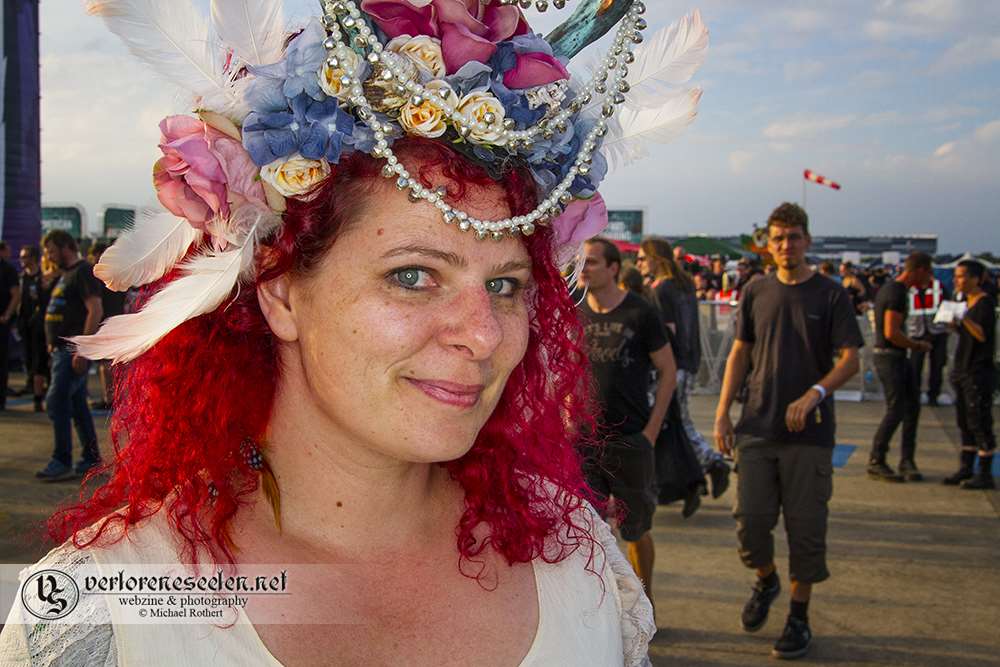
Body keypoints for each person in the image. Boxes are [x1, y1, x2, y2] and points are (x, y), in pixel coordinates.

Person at [0, 1, 709, 662]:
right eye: (413, 275)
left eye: (504, 285)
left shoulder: (579, 562)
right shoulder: (109, 609)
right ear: (280, 291)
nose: (484, 336)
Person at [714, 202, 862, 660]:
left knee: (805, 530)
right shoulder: (756, 290)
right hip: (757, 424)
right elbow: (740, 352)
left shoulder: (831, 295)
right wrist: (722, 412)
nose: (786, 245)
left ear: (807, 241)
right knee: (751, 523)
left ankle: (799, 615)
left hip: (810, 434)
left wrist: (816, 392)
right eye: (778, 238)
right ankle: (766, 579)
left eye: (793, 237)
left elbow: (851, 360)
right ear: (769, 244)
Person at [578, 237, 677, 609]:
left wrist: (651, 431)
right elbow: (566, 366)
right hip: (585, 441)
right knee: (588, 530)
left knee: (636, 530)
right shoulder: (576, 309)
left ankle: (645, 603)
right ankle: (603, 609)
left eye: (591, 262)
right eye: (581, 261)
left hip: (631, 439)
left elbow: (668, 371)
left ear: (613, 268)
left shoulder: (640, 312)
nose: (584, 268)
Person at [638, 238, 731, 499]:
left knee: (677, 421)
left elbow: (669, 331)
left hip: (673, 363)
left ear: (656, 259)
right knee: (677, 420)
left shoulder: (662, 289)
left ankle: (710, 461)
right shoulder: (684, 285)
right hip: (688, 359)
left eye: (643, 258)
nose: (640, 263)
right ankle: (693, 471)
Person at [35, 230, 103, 481]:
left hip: (71, 350)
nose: (49, 256)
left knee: (56, 401)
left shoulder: (82, 271)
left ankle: (61, 459)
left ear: (65, 247)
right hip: (61, 352)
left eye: (52, 250)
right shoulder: (65, 275)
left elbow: (95, 309)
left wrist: (82, 349)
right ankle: (91, 459)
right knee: (77, 405)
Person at [868, 252, 934, 482]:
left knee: (911, 407)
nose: (930, 278)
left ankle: (907, 460)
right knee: (896, 409)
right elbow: (891, 332)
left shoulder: (893, 289)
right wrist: (917, 345)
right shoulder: (896, 292)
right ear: (920, 270)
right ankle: (877, 459)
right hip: (890, 356)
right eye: (928, 272)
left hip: (895, 356)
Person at [943, 260, 996, 489]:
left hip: (978, 369)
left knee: (979, 420)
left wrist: (964, 317)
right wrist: (954, 324)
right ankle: (966, 466)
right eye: (956, 276)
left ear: (976, 278)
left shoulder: (984, 303)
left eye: (962, 276)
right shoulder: (964, 301)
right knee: (964, 420)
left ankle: (984, 472)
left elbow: (982, 335)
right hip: (962, 367)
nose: (957, 280)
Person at [86, 241, 126, 410]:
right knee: (108, 364)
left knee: (107, 365)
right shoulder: (117, 273)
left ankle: (111, 399)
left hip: (109, 321)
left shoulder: (103, 276)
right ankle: (110, 397)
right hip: (112, 320)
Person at [907, 275, 950, 406]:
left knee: (937, 366)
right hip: (917, 332)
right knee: (915, 366)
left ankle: (933, 395)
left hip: (938, 332)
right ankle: (914, 395)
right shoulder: (910, 288)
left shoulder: (938, 287)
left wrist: (947, 327)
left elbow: (947, 305)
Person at [17, 245, 50, 412]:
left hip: (41, 327)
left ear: (33, 258)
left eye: (25, 257)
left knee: (40, 360)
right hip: (25, 326)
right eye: (21, 257)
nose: (22, 260)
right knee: (29, 358)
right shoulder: (21, 278)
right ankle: (33, 386)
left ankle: (40, 397)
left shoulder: (43, 278)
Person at [0, 246, 20, 410]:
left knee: (1, 361)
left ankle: (1, 399)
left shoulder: (8, 269)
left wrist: (7, 315)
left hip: (2, 323)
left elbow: (16, 294)